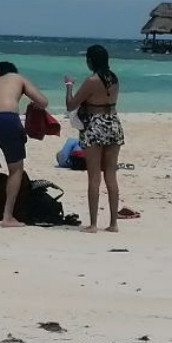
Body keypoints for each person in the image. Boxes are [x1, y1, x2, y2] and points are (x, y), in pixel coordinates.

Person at [0, 61, 48, 228]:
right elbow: (43, 102)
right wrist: (33, 106)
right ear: (13, 72)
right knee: (16, 168)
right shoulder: (17, 78)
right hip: (7, 118)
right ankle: (7, 216)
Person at [65, 45, 124, 233]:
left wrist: (69, 86)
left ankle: (93, 224)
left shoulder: (91, 80)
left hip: (95, 125)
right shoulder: (113, 78)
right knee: (111, 176)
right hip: (113, 123)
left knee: (94, 177)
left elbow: (71, 105)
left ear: (91, 60)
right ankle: (114, 223)